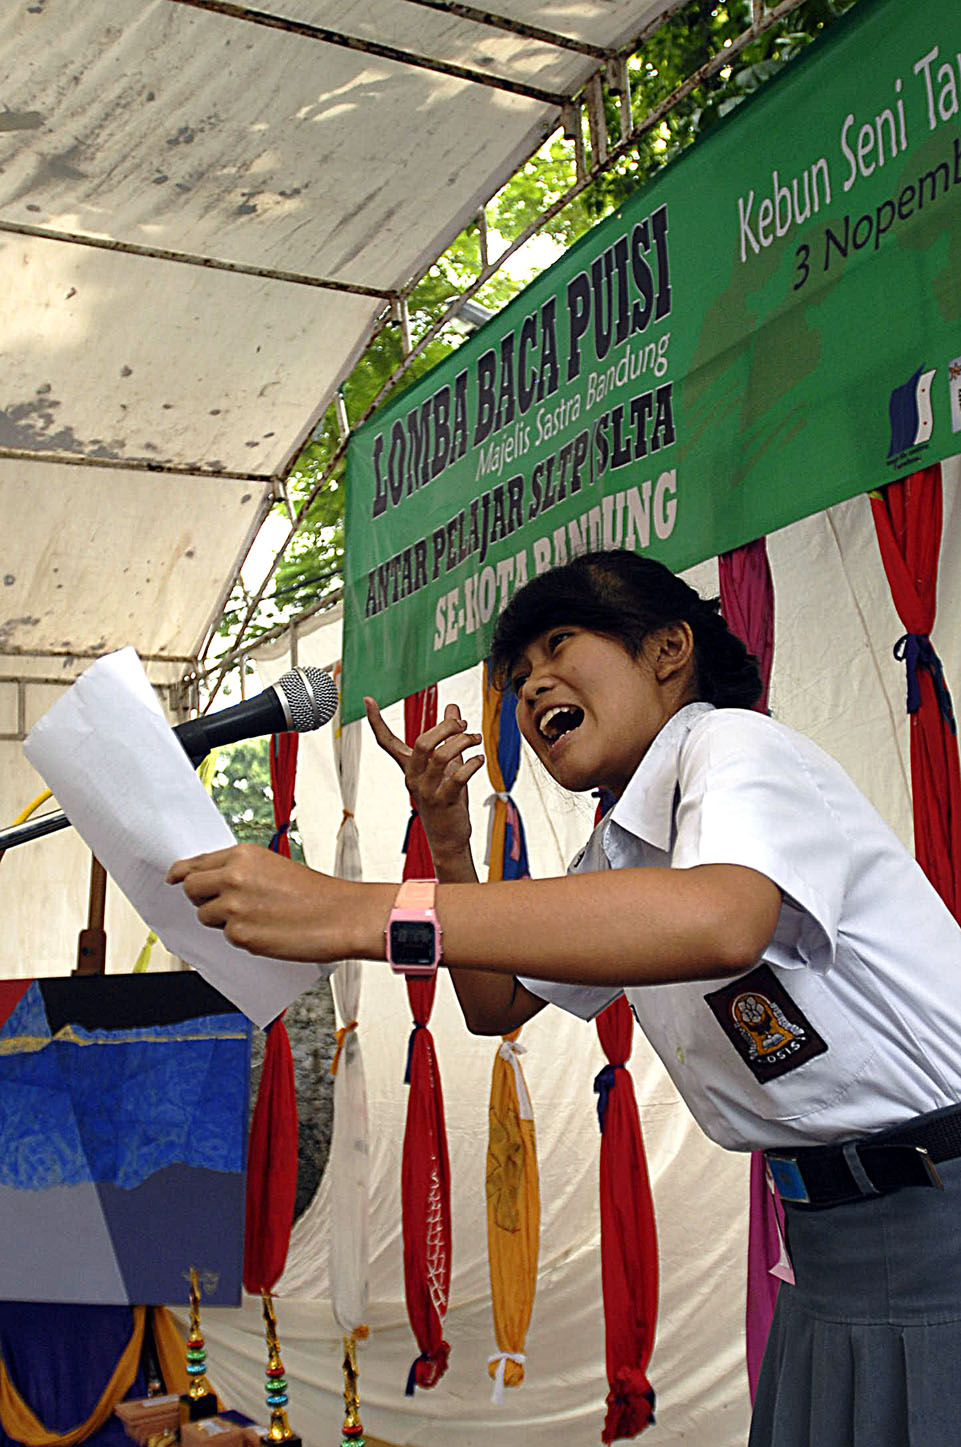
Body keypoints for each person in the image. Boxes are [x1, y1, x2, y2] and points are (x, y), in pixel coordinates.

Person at [168, 549, 961, 1446]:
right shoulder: (620, 847)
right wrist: (445, 835)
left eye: (558, 644)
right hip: (831, 1253)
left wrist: (354, 910)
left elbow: (722, 918)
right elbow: (494, 1003)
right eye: (517, 675)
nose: (532, 684)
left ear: (668, 649)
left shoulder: (730, 745)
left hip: (937, 1228)